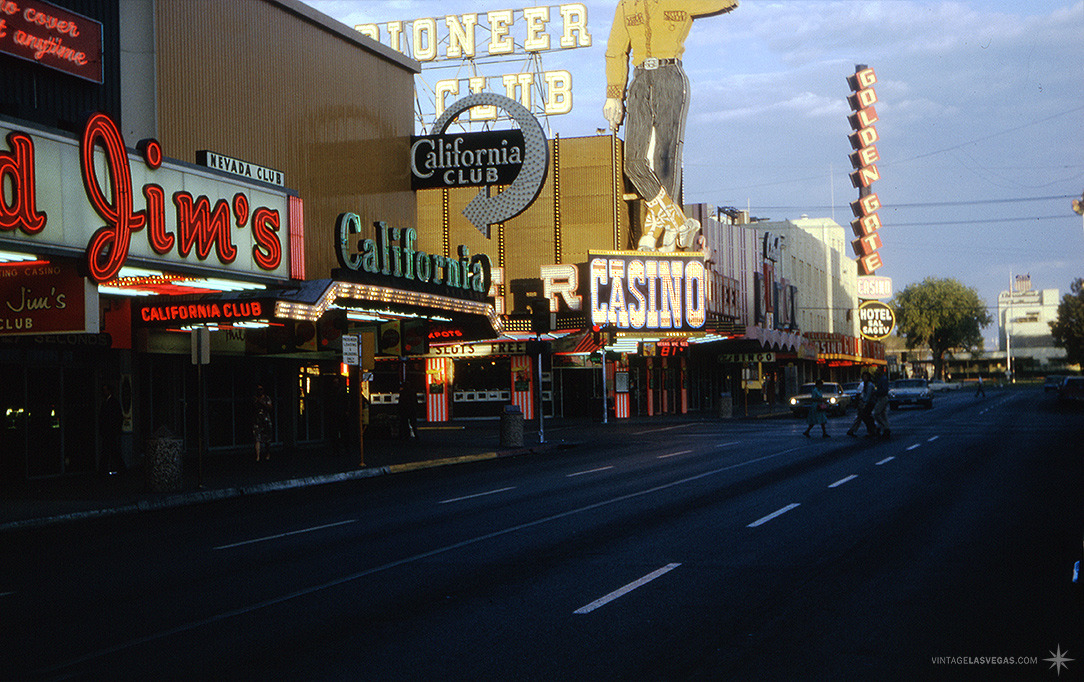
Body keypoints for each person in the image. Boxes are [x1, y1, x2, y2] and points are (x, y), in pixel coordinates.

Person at [604, 0, 738, 252]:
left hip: (670, 76)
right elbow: (615, 51)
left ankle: (655, 231)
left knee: (665, 156)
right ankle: (678, 221)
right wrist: (614, 94)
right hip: (640, 79)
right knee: (633, 162)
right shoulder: (626, 5)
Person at [99, 383, 124, 475]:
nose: (104, 392)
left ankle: (104, 470)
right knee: (111, 451)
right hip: (109, 431)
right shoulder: (109, 402)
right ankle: (119, 469)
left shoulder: (111, 403)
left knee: (109, 451)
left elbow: (117, 418)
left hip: (110, 431)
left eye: (105, 390)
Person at [846, 371, 877, 438]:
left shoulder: (868, 385)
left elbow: (867, 395)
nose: (864, 378)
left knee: (864, 416)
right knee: (863, 416)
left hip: (867, 403)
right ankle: (872, 429)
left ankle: (872, 430)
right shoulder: (864, 384)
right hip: (864, 402)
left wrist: (864, 403)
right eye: (863, 377)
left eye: (866, 377)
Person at [253, 384, 273, 461]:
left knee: (267, 439)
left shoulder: (266, 398)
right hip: (257, 420)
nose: (259, 391)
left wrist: (260, 402)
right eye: (258, 390)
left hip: (266, 420)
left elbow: (270, 407)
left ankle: (267, 453)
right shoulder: (254, 399)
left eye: (261, 389)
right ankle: (257, 456)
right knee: (257, 438)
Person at [871, 366, 891, 439]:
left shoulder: (883, 379)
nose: (876, 371)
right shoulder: (880, 379)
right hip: (881, 397)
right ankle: (886, 428)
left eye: (878, 370)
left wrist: (876, 392)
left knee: (876, 413)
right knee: (883, 414)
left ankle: (884, 427)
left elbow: (884, 390)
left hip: (883, 397)